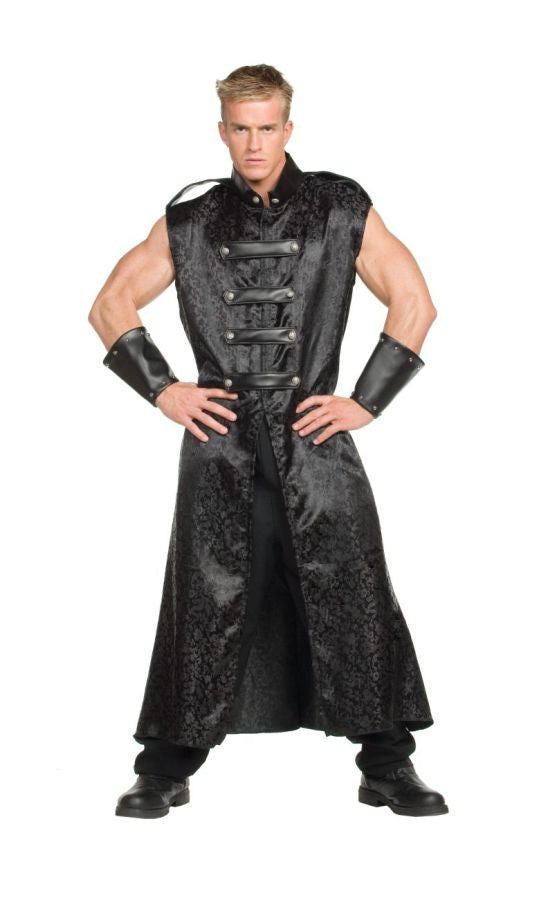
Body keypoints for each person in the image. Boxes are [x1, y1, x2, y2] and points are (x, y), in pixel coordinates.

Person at [88, 63, 448, 819]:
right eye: (241, 128)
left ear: (288, 128)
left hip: (314, 440)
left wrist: (365, 402)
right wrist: (164, 388)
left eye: (267, 127)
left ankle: (387, 764)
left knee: (350, 588)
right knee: (205, 596)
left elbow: (414, 300)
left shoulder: (339, 207)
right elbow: (110, 302)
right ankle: (164, 768)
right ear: (222, 130)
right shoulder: (189, 221)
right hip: (219, 444)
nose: (254, 143)